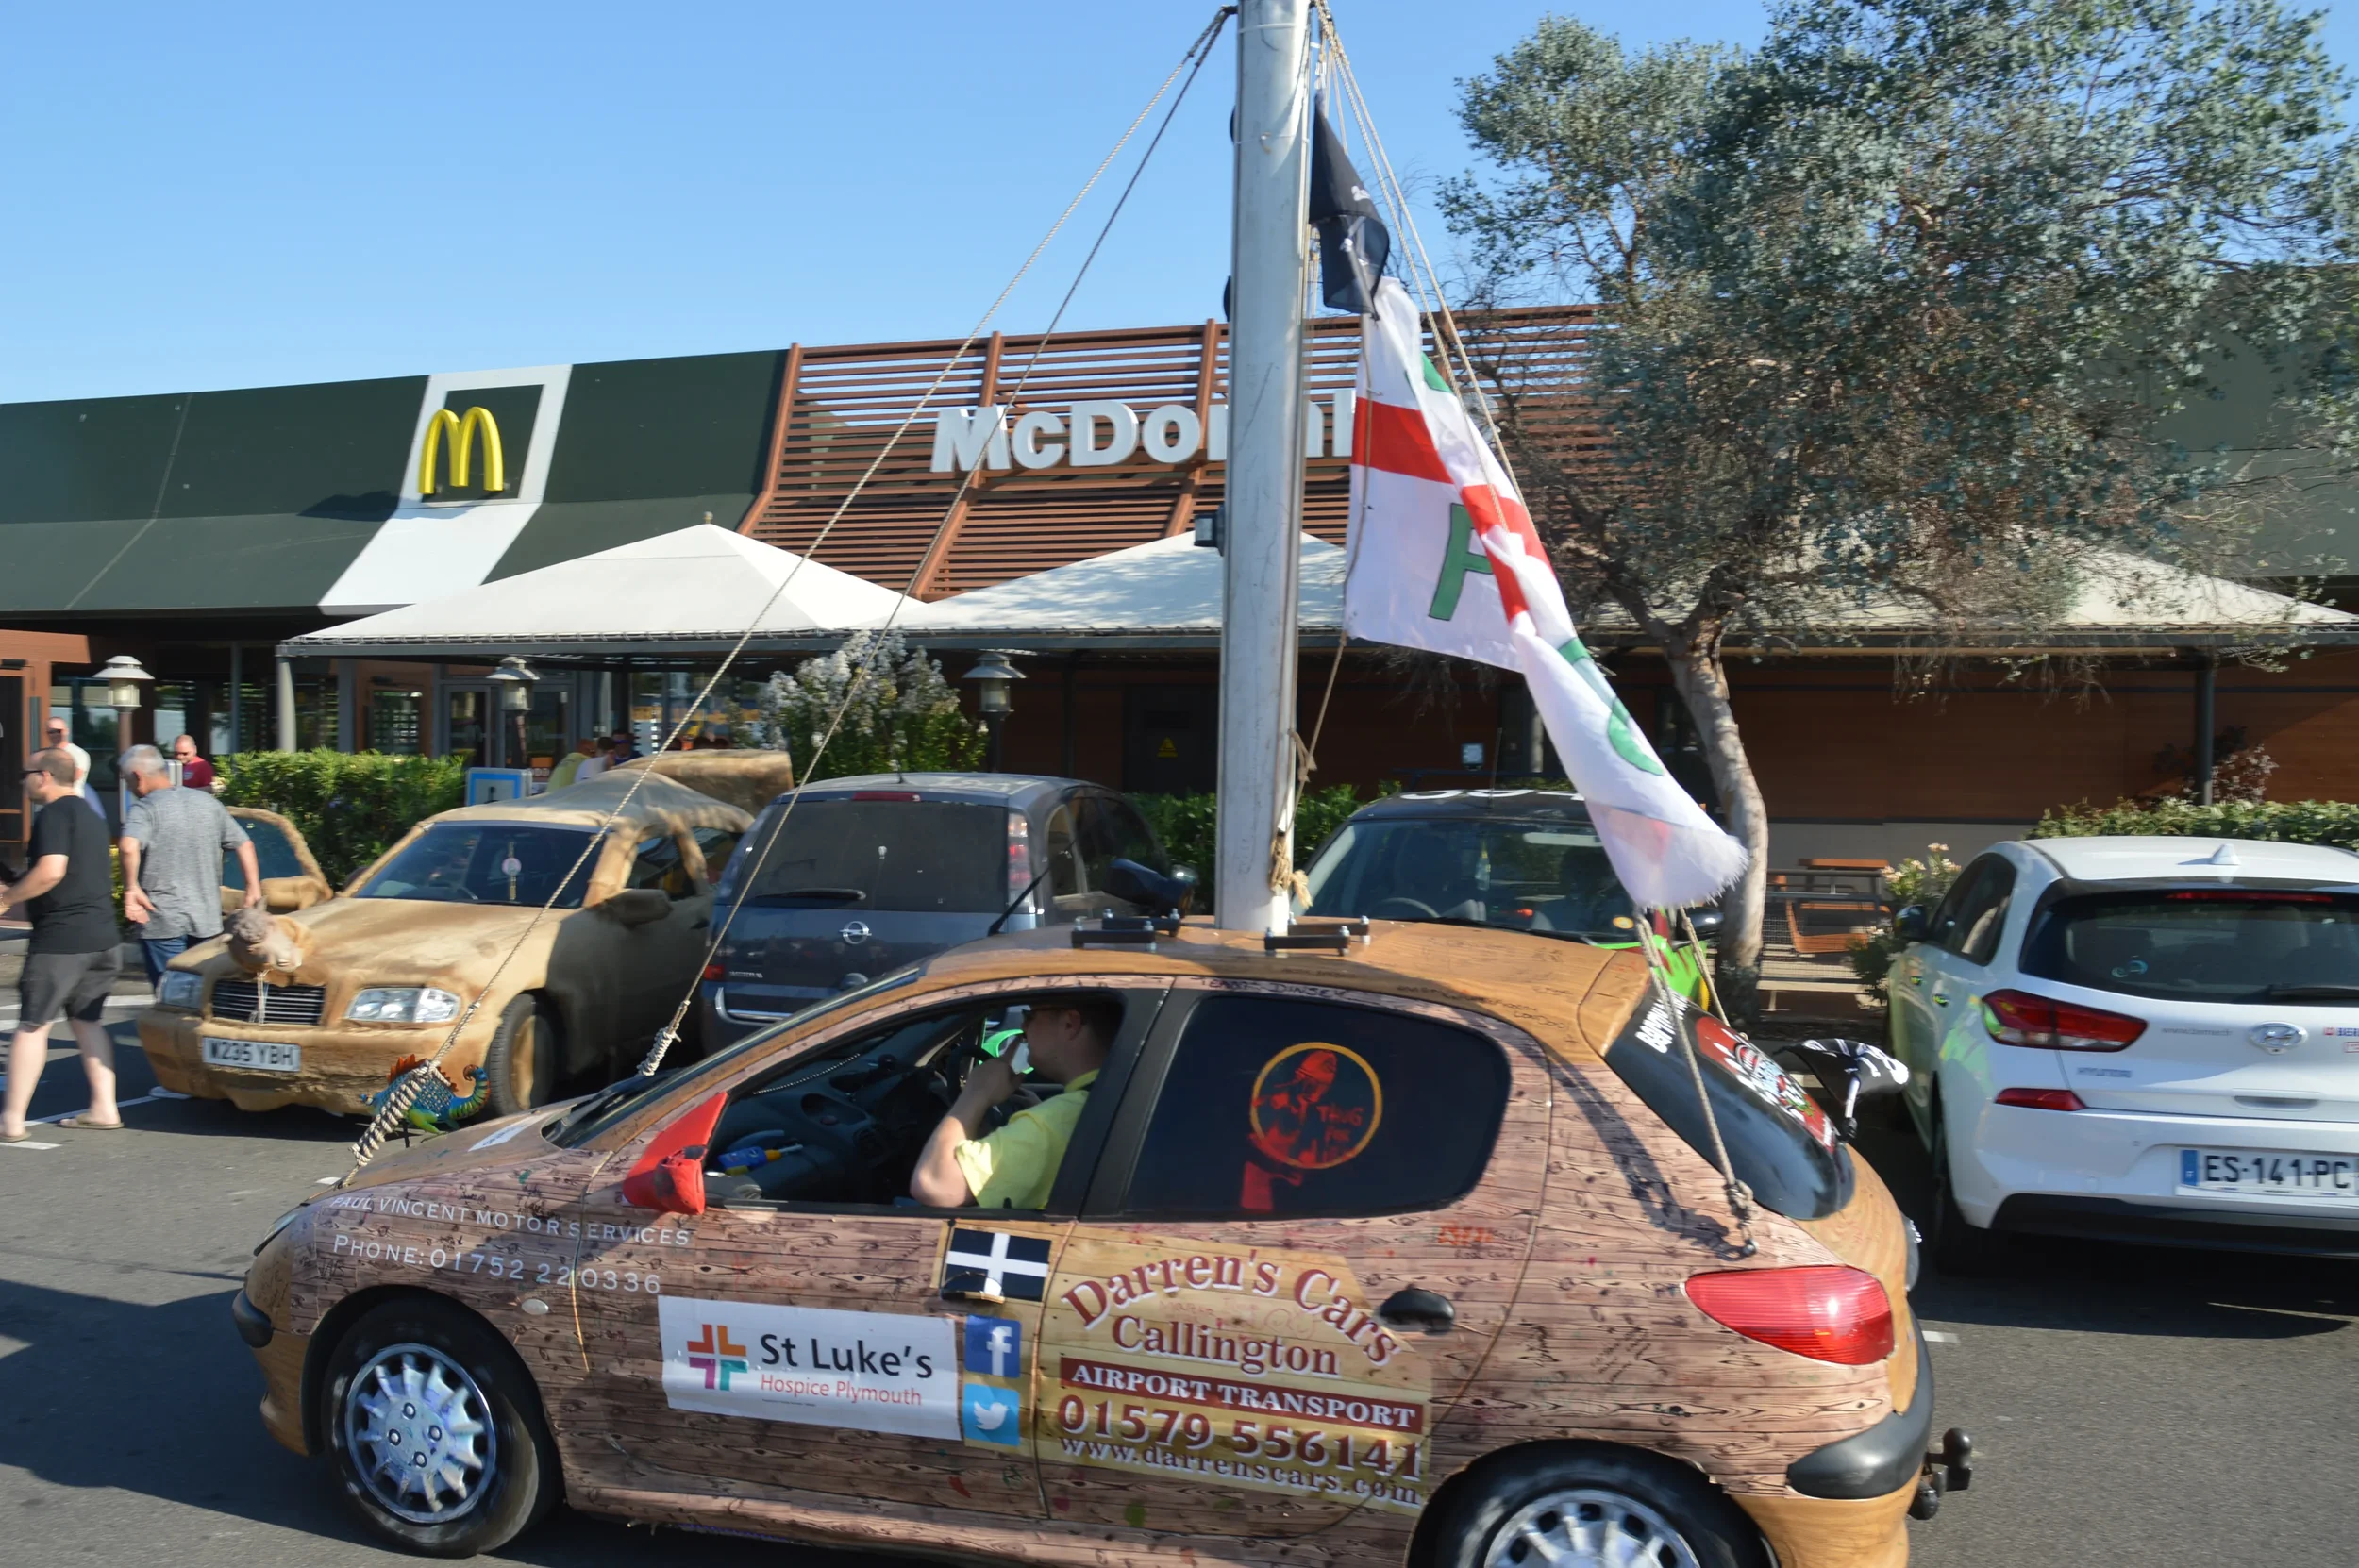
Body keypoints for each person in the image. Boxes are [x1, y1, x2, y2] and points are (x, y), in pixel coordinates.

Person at [1, 748, 125, 1139]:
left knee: (33, 1025)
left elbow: (52, 871)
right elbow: (69, 872)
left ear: (44, 776)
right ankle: (104, 1108)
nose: (22, 781)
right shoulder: (90, 814)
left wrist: (7, 899)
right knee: (87, 1021)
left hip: (63, 940)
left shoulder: (52, 814)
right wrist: (19, 880)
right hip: (104, 938)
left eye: (26, 773)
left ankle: (12, 1121)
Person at [910, 993, 1121, 1209]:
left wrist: (976, 1093)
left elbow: (933, 1184)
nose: (1023, 1027)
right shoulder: (1109, 1096)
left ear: (1070, 1024)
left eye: (1030, 1015)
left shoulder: (1054, 1121)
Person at [118, 743, 259, 987]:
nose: (129, 787)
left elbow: (128, 846)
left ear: (138, 777)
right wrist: (253, 888)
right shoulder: (207, 803)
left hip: (161, 919)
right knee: (204, 992)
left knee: (172, 995)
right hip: (206, 918)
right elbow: (244, 844)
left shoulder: (145, 808)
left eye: (127, 781)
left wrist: (131, 887)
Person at [40, 718, 103, 818]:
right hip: (49, 807)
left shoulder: (78, 754)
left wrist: (47, 777)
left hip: (71, 808)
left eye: (58, 731)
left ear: (67, 731)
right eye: (51, 732)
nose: (55, 734)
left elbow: (72, 777)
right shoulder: (44, 755)